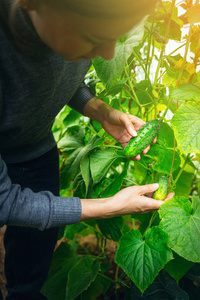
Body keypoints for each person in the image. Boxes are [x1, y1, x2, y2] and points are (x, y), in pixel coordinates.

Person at [0, 0, 174, 299]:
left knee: (34, 263)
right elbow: (4, 201)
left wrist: (99, 110)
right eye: (95, 40)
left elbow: (62, 74)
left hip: (37, 150)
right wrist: (109, 207)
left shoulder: (68, 26)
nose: (108, 54)